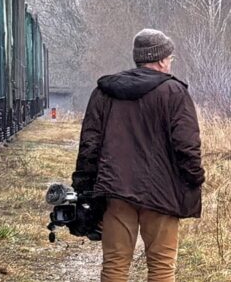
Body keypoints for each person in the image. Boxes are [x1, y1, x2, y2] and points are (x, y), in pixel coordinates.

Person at [72, 28, 205, 282]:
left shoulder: (105, 92)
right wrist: (194, 179)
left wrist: (84, 188)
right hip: (162, 195)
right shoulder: (175, 93)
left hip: (116, 193)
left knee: (114, 266)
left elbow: (89, 146)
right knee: (162, 268)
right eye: (170, 58)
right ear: (162, 59)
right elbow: (187, 147)